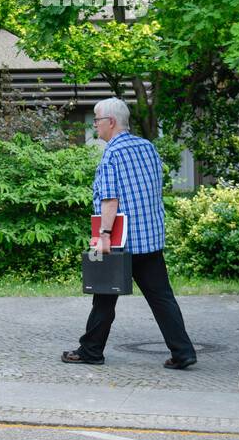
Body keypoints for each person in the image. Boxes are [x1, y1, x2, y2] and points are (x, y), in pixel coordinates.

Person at [62, 97, 198, 369]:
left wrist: (103, 236)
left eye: (97, 120)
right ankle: (183, 352)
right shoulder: (147, 147)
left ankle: (91, 351)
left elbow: (110, 200)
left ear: (110, 122)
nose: (95, 126)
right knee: (162, 298)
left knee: (103, 297)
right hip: (149, 239)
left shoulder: (112, 153)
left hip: (121, 241)